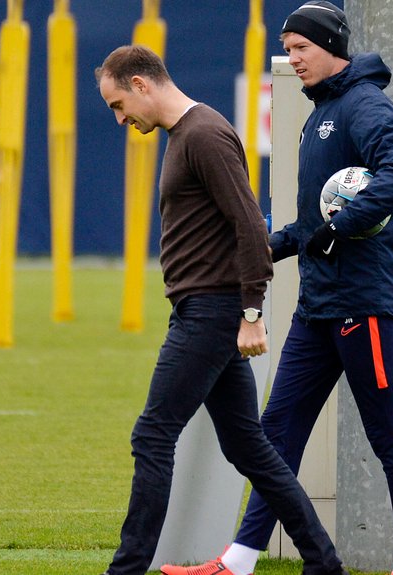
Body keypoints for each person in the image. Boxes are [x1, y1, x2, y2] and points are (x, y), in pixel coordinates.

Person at [165, 2, 393, 575]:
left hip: (364, 306)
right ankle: (239, 561)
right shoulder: (319, 116)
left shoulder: (364, 104)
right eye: (287, 50)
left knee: (392, 441)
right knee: (275, 436)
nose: (293, 60)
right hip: (318, 307)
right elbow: (313, 227)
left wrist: (341, 225)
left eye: (300, 49)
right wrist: (261, 246)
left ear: (332, 45)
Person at [94, 45, 349, 575]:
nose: (121, 119)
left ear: (141, 84)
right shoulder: (186, 135)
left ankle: (126, 570)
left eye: (119, 105)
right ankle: (324, 563)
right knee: (249, 448)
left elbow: (251, 226)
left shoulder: (204, 134)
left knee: (153, 434)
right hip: (204, 309)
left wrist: (251, 312)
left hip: (211, 312)